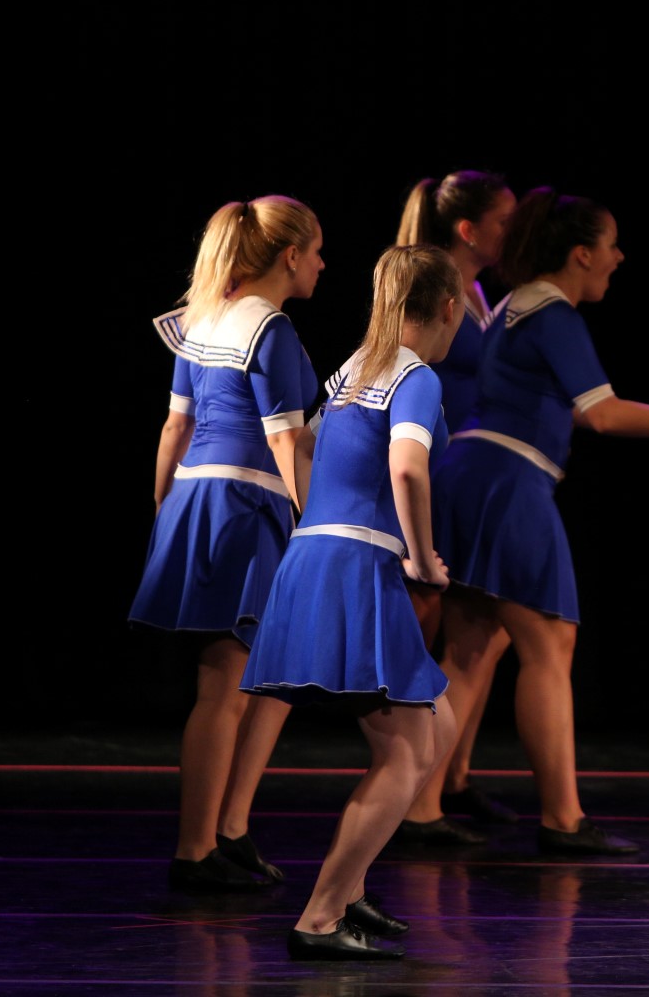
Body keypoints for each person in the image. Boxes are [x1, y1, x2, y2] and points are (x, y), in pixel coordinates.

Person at [428, 185, 649, 855]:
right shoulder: (553, 312)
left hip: (474, 474)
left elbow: (572, 410)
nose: (619, 257)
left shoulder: (515, 305)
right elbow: (605, 413)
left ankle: (419, 808)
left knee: (469, 654)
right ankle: (562, 819)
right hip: (507, 483)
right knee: (550, 644)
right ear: (581, 254)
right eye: (611, 246)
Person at [240, 243, 465, 960]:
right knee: (409, 750)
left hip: (316, 556)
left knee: (439, 724)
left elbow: (301, 445)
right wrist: (420, 556)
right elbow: (408, 469)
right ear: (450, 308)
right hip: (355, 568)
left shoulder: (354, 368)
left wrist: (320, 524)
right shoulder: (416, 375)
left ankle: (351, 888)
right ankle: (321, 915)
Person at [128, 195, 322, 891]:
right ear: (291, 256)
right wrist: (317, 527)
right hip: (244, 504)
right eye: (318, 251)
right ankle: (195, 851)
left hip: (198, 498)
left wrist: (166, 508)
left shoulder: (204, 318)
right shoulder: (268, 326)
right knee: (225, 685)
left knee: (270, 678)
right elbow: (284, 442)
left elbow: (173, 429)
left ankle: (228, 830)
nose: (323, 264)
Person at [392, 171, 523, 845]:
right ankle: (416, 795)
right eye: (503, 221)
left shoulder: (475, 292)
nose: (513, 233)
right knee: (435, 626)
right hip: (435, 470)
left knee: (482, 629)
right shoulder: (433, 285)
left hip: (468, 472)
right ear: (468, 230)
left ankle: (451, 776)